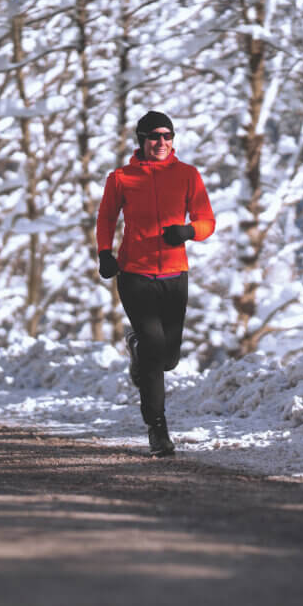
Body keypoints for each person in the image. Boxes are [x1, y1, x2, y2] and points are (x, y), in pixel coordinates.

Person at [95, 110, 215, 457]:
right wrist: (104, 253)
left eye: (167, 136)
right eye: (154, 136)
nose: (161, 142)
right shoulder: (121, 178)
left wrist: (188, 231)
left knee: (168, 358)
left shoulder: (188, 175)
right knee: (154, 345)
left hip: (175, 275)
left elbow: (207, 220)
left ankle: (136, 348)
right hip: (135, 274)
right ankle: (157, 428)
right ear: (142, 141)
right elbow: (106, 217)